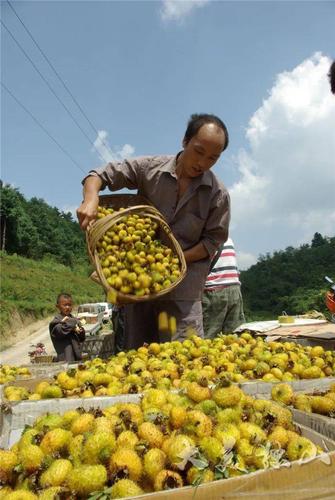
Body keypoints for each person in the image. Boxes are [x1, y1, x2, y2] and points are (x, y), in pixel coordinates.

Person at [77, 113, 231, 349]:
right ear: (185, 141)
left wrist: (176, 259)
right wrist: (90, 199)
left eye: (213, 158)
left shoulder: (217, 194)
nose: (203, 162)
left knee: (185, 357)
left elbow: (213, 240)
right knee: (139, 358)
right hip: (139, 291)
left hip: (184, 293)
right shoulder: (150, 168)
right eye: (199, 151)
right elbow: (98, 175)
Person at [202, 237, 245, 338]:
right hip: (234, 288)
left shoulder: (205, 237)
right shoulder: (227, 237)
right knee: (235, 336)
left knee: (209, 337)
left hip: (214, 291)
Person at [49, 293, 86, 362]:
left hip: (76, 357)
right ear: (58, 306)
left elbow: (81, 338)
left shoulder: (73, 319)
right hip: (65, 359)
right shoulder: (56, 322)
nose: (67, 307)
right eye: (65, 305)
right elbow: (60, 330)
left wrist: (81, 331)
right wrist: (73, 322)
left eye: (69, 305)